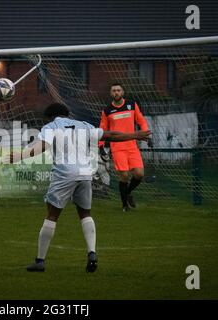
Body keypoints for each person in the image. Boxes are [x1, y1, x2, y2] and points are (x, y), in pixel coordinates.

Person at [8, 103, 150, 272]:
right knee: (85, 214)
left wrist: (21, 155)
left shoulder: (51, 126)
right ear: (67, 113)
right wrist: (135, 134)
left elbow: (42, 146)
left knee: (52, 215)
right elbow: (110, 135)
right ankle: (92, 253)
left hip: (65, 173)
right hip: (85, 173)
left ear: (50, 116)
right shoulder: (84, 125)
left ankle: (40, 261)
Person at [99, 83, 152, 212]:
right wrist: (100, 147)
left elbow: (141, 121)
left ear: (122, 92)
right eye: (114, 90)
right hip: (117, 147)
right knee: (124, 175)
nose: (116, 92)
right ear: (111, 93)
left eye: (118, 90)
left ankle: (127, 193)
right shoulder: (106, 111)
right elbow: (102, 130)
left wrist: (146, 134)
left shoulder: (132, 105)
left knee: (139, 174)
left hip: (132, 146)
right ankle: (124, 206)